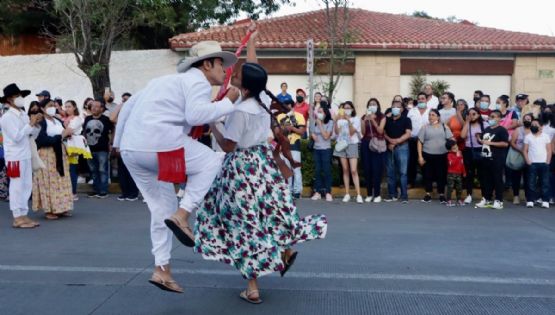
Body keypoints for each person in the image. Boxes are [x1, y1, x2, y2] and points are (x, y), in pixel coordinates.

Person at [113, 39, 242, 293]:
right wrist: (228, 103)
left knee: (162, 208)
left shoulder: (161, 82)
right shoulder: (196, 81)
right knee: (212, 161)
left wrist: (118, 144)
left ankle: (162, 269)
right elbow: (195, 115)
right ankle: (184, 216)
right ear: (206, 64)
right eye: (220, 64)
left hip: (133, 149)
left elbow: (126, 108)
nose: (224, 70)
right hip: (160, 144)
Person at [196, 62, 327, 304]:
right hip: (263, 162)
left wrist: (213, 123)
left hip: (241, 167)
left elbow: (228, 145)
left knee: (243, 222)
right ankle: (285, 249)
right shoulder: (261, 106)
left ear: (244, 85)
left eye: (236, 74)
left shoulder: (240, 110)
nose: (231, 75)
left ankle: (253, 286)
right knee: (269, 212)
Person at [0, 83, 42, 228]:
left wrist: (36, 124)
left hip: (25, 154)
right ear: (9, 100)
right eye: (16, 96)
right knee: (17, 186)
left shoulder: (23, 114)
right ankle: (17, 217)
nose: (20, 98)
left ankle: (24, 214)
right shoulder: (6, 117)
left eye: (20, 96)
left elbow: (31, 134)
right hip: (15, 157)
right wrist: (30, 124)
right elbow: (16, 137)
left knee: (26, 185)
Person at [33, 99, 74, 219]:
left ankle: (62, 207)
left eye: (54, 105)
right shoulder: (41, 122)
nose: (53, 108)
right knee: (49, 182)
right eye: (49, 106)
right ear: (42, 108)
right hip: (47, 154)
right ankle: (49, 210)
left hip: (60, 153)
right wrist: (61, 135)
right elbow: (42, 140)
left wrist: (68, 134)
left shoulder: (57, 120)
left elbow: (63, 135)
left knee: (62, 180)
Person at [417, 109, 453, 203]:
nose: (430, 117)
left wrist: (451, 146)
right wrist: (420, 156)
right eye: (429, 115)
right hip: (427, 154)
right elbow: (420, 142)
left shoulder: (444, 126)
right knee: (427, 175)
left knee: (441, 175)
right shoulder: (425, 127)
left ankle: (441, 194)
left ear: (438, 117)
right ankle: (428, 194)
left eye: (433, 115)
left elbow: (451, 138)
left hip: (442, 155)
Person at [476, 110, 509, 209]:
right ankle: (487, 198)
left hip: (497, 159)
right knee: (486, 180)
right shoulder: (487, 129)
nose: (491, 118)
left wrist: (491, 143)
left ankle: (499, 200)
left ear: (499, 118)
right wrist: (479, 138)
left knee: (497, 179)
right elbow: (483, 140)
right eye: (490, 117)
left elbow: (505, 143)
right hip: (486, 158)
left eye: (493, 117)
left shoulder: (502, 130)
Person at [110, 93, 139, 201]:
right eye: (122, 100)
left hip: (133, 145)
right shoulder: (121, 116)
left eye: (126, 100)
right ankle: (125, 192)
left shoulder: (135, 115)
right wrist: (121, 105)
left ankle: (133, 193)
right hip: (121, 145)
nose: (124, 102)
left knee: (131, 170)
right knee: (121, 170)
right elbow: (112, 117)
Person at [333, 101, 363, 203]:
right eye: (345, 108)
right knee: (345, 169)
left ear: (352, 109)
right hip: (341, 144)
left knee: (353, 170)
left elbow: (351, 132)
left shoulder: (356, 119)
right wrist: (336, 121)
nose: (346, 110)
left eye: (348, 108)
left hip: (352, 144)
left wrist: (348, 120)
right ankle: (347, 194)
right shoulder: (339, 119)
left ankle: (358, 194)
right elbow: (337, 132)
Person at [83, 99, 113, 198]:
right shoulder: (87, 119)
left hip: (102, 149)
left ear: (102, 108)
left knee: (102, 170)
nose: (93, 108)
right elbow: (84, 132)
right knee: (93, 171)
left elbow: (111, 132)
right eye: (92, 106)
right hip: (89, 149)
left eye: (96, 106)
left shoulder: (106, 119)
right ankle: (96, 190)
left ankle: (103, 191)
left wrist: (111, 143)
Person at [277, 99, 306, 199]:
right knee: (286, 168)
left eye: (287, 105)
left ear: (291, 105)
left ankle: (297, 191)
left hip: (294, 145)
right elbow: (277, 131)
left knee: (296, 169)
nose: (284, 106)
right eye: (283, 105)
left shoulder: (299, 116)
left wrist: (292, 128)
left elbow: (302, 131)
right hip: (283, 144)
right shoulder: (280, 116)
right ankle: (287, 190)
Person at [384, 100, 412, 202]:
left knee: (403, 173)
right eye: (394, 106)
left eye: (398, 106)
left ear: (402, 109)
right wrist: (389, 141)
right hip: (389, 148)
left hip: (402, 148)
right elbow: (383, 132)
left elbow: (408, 133)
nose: (396, 108)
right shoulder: (387, 120)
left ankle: (404, 196)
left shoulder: (406, 119)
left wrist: (395, 142)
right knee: (390, 172)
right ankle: (392, 194)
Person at [63, 100, 91, 200]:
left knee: (72, 169)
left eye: (69, 106)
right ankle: (67, 191)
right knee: (67, 169)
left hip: (73, 144)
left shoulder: (78, 118)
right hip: (66, 143)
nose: (67, 108)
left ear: (74, 107)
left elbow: (70, 129)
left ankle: (73, 192)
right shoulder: (66, 118)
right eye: (65, 107)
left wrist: (60, 137)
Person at [360, 98, 386, 203]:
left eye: (374, 104)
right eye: (370, 104)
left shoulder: (382, 116)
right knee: (367, 169)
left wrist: (373, 120)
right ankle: (369, 194)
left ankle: (377, 194)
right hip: (366, 143)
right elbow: (363, 132)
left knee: (376, 169)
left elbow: (380, 130)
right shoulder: (364, 117)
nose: (372, 106)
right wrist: (364, 121)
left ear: (378, 106)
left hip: (377, 143)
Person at [460, 108, 487, 204]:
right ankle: (469, 195)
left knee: (482, 174)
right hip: (469, 150)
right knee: (469, 174)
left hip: (481, 150)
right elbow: (462, 136)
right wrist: (467, 122)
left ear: (479, 115)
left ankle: (484, 196)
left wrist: (480, 137)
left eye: (474, 114)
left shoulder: (484, 125)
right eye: (469, 114)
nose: (471, 116)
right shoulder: (467, 125)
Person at [523, 119, 552, 208]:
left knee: (545, 182)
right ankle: (531, 200)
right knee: (531, 182)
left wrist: (548, 161)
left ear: (541, 126)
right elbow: (525, 150)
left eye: (535, 124)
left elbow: (549, 150)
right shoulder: (528, 136)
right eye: (532, 124)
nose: (533, 126)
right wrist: (528, 161)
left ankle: (545, 200)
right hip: (532, 163)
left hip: (544, 163)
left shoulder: (546, 136)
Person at [310, 103, 334, 202]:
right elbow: (312, 133)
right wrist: (312, 135)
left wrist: (320, 125)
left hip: (326, 149)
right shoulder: (315, 122)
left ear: (325, 113)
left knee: (326, 170)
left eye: (320, 112)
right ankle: (317, 192)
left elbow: (326, 136)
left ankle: (328, 192)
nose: (319, 114)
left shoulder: (330, 122)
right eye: (318, 112)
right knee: (317, 171)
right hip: (317, 149)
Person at [407, 92, 430, 187]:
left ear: (426, 100)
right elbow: (407, 124)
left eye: (423, 98)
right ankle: (411, 182)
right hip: (413, 140)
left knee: (426, 162)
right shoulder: (412, 111)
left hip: (426, 141)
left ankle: (426, 183)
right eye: (419, 98)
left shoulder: (431, 111)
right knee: (412, 161)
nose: (421, 100)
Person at [510, 113, 533, 205]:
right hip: (518, 155)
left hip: (530, 157)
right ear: (522, 120)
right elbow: (512, 142)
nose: (527, 120)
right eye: (525, 119)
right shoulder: (518, 130)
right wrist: (521, 150)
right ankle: (516, 196)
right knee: (516, 177)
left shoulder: (533, 130)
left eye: (529, 119)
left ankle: (529, 197)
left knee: (529, 178)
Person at [445, 139, 466, 206]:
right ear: (450, 150)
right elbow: (452, 164)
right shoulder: (449, 155)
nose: (456, 149)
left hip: (459, 173)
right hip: (451, 174)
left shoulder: (460, 153)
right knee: (450, 188)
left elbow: (462, 163)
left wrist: (464, 171)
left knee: (459, 187)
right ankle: (448, 200)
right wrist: (457, 156)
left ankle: (459, 199)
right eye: (454, 148)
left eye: (456, 147)